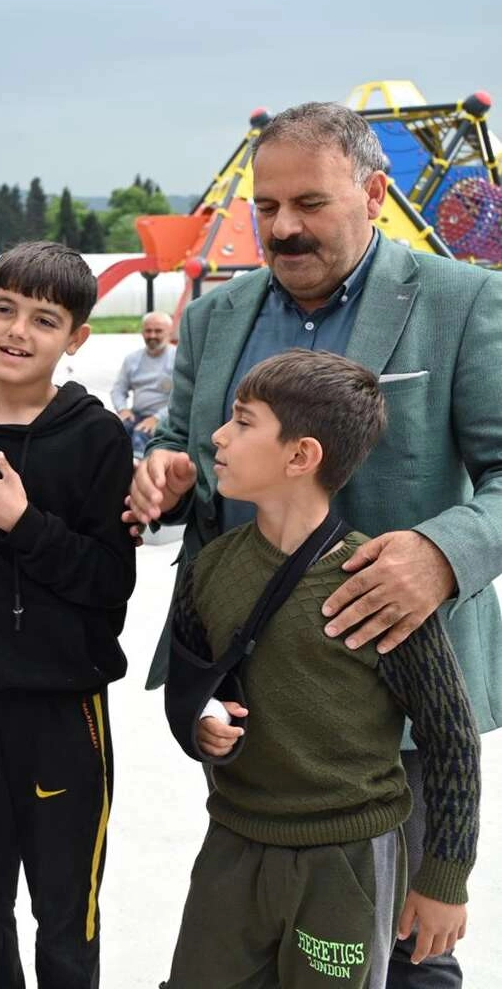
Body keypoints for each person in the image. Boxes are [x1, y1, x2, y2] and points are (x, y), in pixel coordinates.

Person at [126, 102, 502, 986]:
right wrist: (169, 473)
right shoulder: (216, 317)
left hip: (397, 700)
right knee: (263, 942)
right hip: (252, 697)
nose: (283, 227)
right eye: (266, 206)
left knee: (404, 950)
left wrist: (440, 554)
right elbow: (186, 448)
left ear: (373, 194)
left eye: (310, 203)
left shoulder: (462, 301)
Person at [162, 350, 479, 988]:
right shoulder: (209, 570)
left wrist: (444, 879)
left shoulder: (377, 587)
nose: (218, 436)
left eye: (243, 422)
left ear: (301, 456)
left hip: (348, 863)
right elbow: (192, 682)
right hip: (233, 846)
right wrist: (200, 723)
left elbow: (450, 737)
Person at [0, 242, 135, 988]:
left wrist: (22, 523)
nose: (17, 331)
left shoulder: (95, 436)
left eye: (44, 320)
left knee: (66, 912)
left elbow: (110, 581)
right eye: (4, 309)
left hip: (60, 713)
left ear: (76, 338)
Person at [110, 311, 175, 459]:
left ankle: (138, 470)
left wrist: (157, 418)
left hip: (166, 418)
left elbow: (182, 399)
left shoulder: (178, 359)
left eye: (158, 331)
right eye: (148, 331)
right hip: (136, 415)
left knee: (141, 435)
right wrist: (123, 409)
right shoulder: (132, 359)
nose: (152, 335)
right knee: (113, 431)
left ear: (170, 332)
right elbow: (118, 390)